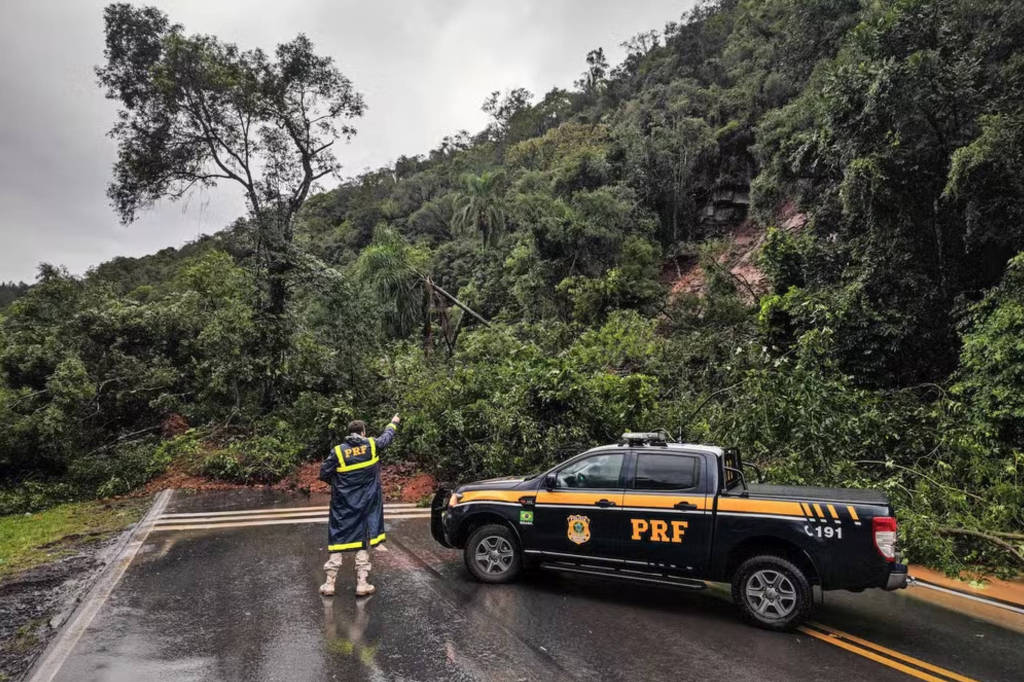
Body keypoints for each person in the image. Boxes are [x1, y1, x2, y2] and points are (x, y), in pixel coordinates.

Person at [318, 414, 400, 596]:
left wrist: (340, 485)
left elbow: (323, 473)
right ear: (363, 432)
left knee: (338, 539)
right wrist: (393, 423)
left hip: (343, 506)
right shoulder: (371, 445)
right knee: (362, 541)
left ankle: (329, 584)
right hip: (365, 504)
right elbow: (386, 438)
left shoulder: (338, 452)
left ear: (349, 434)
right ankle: (362, 583)